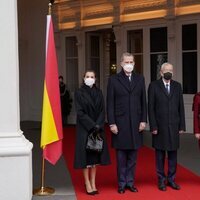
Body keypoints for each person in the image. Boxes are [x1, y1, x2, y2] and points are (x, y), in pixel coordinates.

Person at [107, 52, 147, 194]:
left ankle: (130, 182)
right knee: (121, 156)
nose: (129, 64)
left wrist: (143, 120)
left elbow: (143, 101)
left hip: (136, 123)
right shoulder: (113, 80)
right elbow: (110, 103)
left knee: (133, 157)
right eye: (126, 62)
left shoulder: (140, 78)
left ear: (134, 63)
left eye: (131, 62)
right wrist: (111, 123)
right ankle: (121, 183)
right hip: (120, 123)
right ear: (121, 63)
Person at [148, 62, 185, 191]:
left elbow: (181, 107)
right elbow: (151, 108)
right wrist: (153, 126)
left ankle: (171, 179)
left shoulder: (177, 86)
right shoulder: (153, 86)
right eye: (166, 70)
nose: (169, 72)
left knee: (173, 155)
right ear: (161, 72)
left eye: (171, 70)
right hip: (159, 127)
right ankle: (161, 180)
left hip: (174, 126)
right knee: (159, 155)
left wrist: (182, 126)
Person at [74, 70, 110, 195]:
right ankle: (87, 182)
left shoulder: (99, 92)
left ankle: (93, 182)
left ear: (95, 79)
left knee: (94, 157)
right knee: (85, 158)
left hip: (97, 128)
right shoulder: (79, 92)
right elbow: (79, 112)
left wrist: (98, 125)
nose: (90, 78)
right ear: (83, 78)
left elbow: (102, 110)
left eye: (92, 77)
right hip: (85, 128)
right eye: (87, 76)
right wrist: (92, 125)